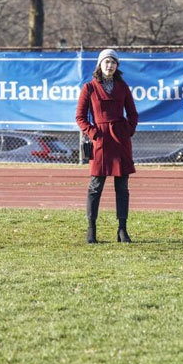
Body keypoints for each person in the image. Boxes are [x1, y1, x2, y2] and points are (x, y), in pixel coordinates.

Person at [76, 48, 139, 243]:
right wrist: (94, 133)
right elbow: (80, 117)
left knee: (122, 187)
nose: (109, 65)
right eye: (106, 62)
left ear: (117, 65)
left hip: (120, 140)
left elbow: (133, 114)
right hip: (101, 141)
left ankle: (122, 230)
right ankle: (91, 228)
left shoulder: (123, 86)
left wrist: (127, 130)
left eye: (113, 62)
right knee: (95, 186)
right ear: (99, 64)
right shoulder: (89, 88)